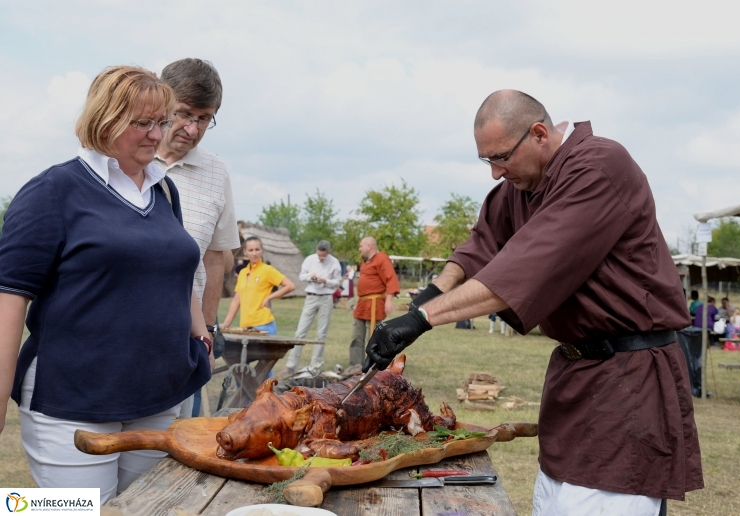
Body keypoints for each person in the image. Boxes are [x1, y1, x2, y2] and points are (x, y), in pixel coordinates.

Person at [362, 90, 702, 515]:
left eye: (501, 157)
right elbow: (481, 245)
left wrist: (422, 320)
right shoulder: (522, 186)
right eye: (487, 161)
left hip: (629, 383)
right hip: (574, 378)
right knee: (555, 502)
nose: (495, 173)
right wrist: (431, 293)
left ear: (539, 133)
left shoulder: (599, 166)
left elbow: (525, 267)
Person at [0, 66, 213, 503]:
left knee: (146, 513)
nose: (157, 135)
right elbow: (10, 297)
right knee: (68, 512)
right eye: (142, 123)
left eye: (162, 122)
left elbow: (175, 270)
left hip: (160, 399)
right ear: (105, 118)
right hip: (73, 403)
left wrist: (199, 332)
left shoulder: (163, 191)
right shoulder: (53, 190)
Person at [155, 58, 240, 418]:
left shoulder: (216, 171)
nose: (192, 129)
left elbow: (216, 256)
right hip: (126, 329)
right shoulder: (124, 159)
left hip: (185, 335)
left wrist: (205, 333)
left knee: (177, 452)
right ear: (161, 102)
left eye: (204, 119)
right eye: (184, 114)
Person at [281, 240, 341, 377]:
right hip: (311, 296)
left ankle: (315, 366)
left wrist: (326, 281)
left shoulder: (334, 262)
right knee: (301, 331)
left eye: (323, 256)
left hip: (326, 297)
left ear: (328, 252)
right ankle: (291, 366)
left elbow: (337, 282)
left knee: (321, 333)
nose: (321, 258)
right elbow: (301, 276)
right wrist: (311, 277)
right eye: (319, 255)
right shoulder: (309, 260)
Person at [220, 236, 295, 334]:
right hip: (246, 326)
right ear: (245, 252)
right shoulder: (242, 273)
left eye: (257, 249)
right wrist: (226, 324)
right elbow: (236, 300)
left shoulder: (267, 270)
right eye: (251, 250)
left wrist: (269, 297)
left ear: (262, 250)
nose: (254, 253)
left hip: (264, 325)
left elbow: (290, 286)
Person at [349, 237, 400, 368]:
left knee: (373, 337)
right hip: (362, 304)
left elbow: (391, 279)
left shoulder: (382, 259)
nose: (359, 249)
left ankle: (372, 365)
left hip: (374, 304)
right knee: (356, 337)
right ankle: (355, 366)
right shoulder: (365, 262)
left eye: (361, 246)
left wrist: (389, 300)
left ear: (369, 246)